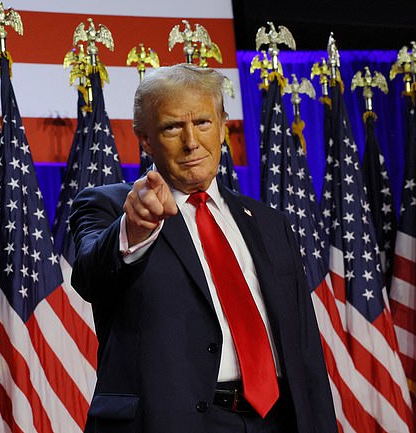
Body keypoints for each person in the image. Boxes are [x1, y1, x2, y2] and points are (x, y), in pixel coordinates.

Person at [70, 63, 337, 433]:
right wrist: (136, 228)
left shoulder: (269, 223)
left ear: (223, 127)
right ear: (144, 138)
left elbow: (305, 349)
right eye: (172, 127)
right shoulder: (112, 207)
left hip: (275, 421)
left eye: (203, 123)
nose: (191, 141)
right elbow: (90, 276)